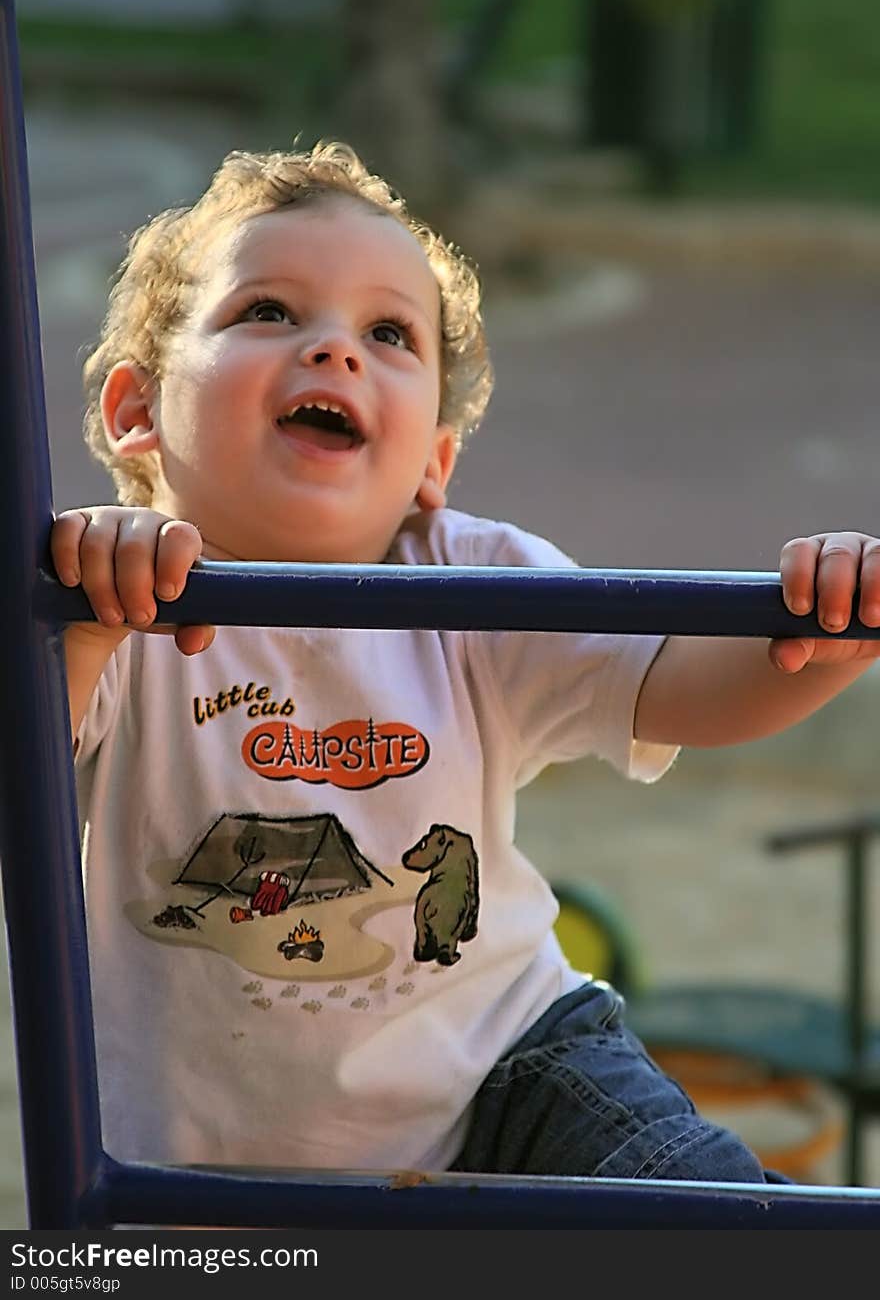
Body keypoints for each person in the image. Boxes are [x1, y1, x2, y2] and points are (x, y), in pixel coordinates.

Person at [52, 139, 880, 1184]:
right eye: (267, 311)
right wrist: (81, 623)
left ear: (433, 463)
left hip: (511, 1068)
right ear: (135, 412)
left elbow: (672, 685)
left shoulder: (470, 576)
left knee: (705, 1213)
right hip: (201, 1152)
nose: (334, 350)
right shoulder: (117, 607)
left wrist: (822, 640)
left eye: (387, 332)